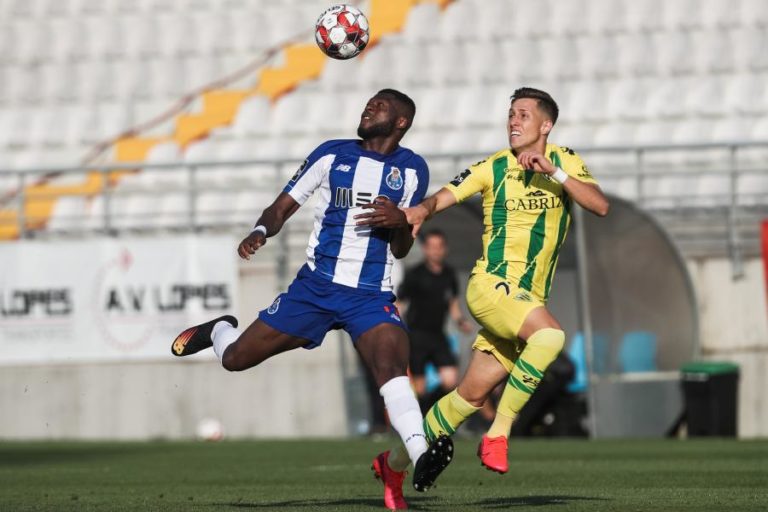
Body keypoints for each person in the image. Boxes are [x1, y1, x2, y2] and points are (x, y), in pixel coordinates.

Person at [170, 89, 453, 508]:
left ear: (400, 122)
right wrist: (260, 232)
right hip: (315, 290)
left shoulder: (411, 170)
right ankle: (220, 329)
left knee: (391, 365)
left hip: (369, 295)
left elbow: (401, 249)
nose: (368, 107)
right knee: (236, 360)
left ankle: (420, 453)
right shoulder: (330, 154)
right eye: (368, 102)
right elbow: (282, 207)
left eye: (380, 105)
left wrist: (399, 223)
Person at [358, 87, 609, 481]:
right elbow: (444, 196)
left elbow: (600, 205)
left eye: (523, 115)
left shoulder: (565, 161)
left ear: (546, 125)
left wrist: (554, 172)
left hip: (525, 299)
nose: (513, 121)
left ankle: (393, 466)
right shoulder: (492, 167)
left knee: (468, 397)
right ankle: (498, 434)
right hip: (492, 286)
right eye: (511, 114)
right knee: (550, 338)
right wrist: (417, 211)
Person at [396, 229, 473, 411]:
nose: (436, 251)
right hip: (416, 337)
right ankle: (421, 424)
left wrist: (461, 322)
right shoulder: (415, 274)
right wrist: (395, 328)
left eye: (439, 247)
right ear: (425, 249)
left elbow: (453, 304)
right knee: (420, 388)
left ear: (445, 249)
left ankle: (436, 412)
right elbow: (400, 303)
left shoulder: (449, 274)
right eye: (432, 247)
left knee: (451, 380)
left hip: (438, 336)